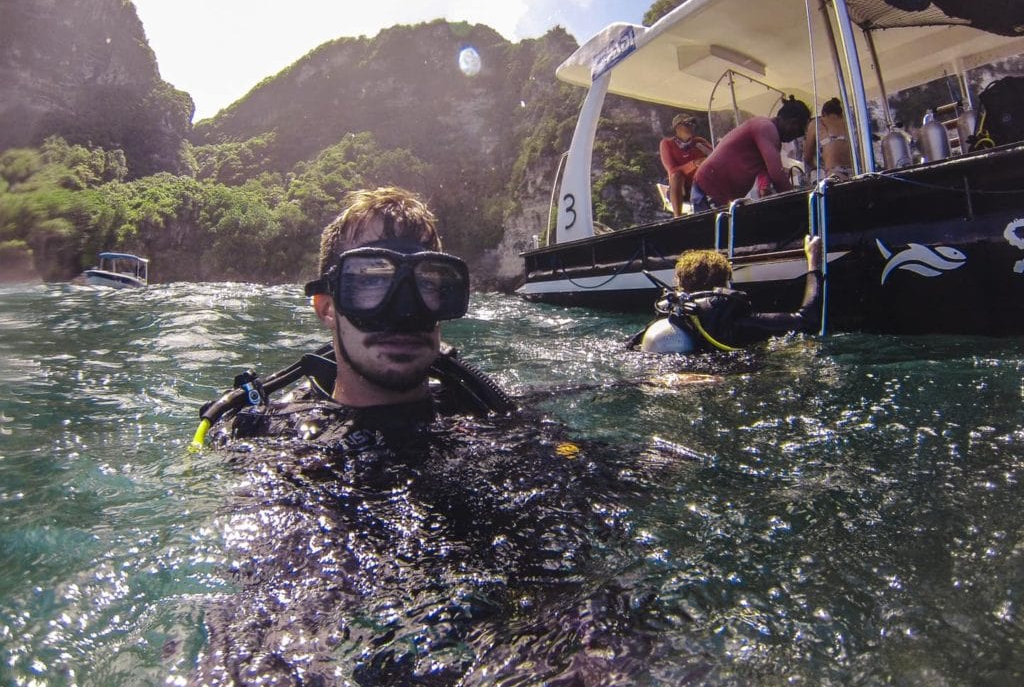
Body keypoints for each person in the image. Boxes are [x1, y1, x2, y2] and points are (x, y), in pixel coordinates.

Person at [191, 186, 705, 685]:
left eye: (429, 283)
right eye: (370, 280)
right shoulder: (283, 445)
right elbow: (266, 602)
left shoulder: (489, 418)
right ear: (327, 305)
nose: (407, 310)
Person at [630, 235, 823, 354]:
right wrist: (813, 261)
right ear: (725, 282)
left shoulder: (672, 318)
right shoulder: (735, 321)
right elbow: (807, 320)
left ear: (679, 285)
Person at [691, 96, 812, 212]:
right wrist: (799, 202)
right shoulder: (766, 127)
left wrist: (766, 190)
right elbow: (777, 175)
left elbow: (766, 173)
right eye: (800, 132)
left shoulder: (771, 135)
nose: (795, 137)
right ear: (793, 123)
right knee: (715, 232)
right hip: (710, 187)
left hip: (718, 191)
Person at [659, 113, 713, 217]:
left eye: (692, 123)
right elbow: (672, 170)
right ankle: (678, 218)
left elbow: (716, 157)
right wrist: (694, 164)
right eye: (687, 124)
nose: (691, 126)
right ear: (677, 127)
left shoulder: (699, 142)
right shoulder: (667, 144)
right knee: (677, 176)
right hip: (682, 190)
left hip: (701, 184)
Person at [804, 97, 853, 183]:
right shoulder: (849, 123)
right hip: (855, 172)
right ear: (841, 114)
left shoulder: (817, 123)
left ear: (823, 113)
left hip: (834, 175)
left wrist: (817, 168)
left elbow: (807, 157)